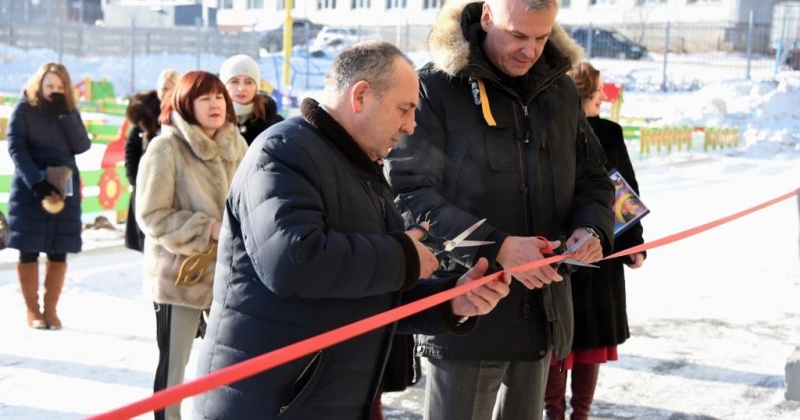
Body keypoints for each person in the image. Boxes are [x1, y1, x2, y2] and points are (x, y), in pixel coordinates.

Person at [193, 40, 512, 420]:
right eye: (404, 109)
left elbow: (367, 291)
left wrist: (450, 300)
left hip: (322, 400)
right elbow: (294, 262)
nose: (410, 125)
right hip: (268, 402)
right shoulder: (283, 151)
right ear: (360, 96)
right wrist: (404, 257)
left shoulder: (362, 169)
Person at [385, 1, 616, 419]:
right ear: (488, 17)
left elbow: (595, 180)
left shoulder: (560, 90)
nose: (530, 51)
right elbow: (409, 195)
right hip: (468, 319)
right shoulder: (434, 88)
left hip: (543, 318)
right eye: (518, 35)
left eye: (542, 37)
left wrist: (591, 230)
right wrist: (498, 246)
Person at [135, 70, 248, 420]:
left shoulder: (237, 145)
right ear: (186, 104)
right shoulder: (165, 147)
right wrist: (206, 229)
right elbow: (151, 215)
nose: (215, 104)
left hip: (229, 276)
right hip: (179, 277)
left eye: (218, 97)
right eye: (205, 98)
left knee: (228, 363)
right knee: (174, 368)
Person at [543, 61, 646, 420]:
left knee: (564, 344)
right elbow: (624, 195)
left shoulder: (557, 128)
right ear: (583, 91)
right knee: (581, 344)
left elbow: (621, 193)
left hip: (572, 252)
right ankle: (576, 415)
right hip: (595, 255)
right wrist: (635, 244)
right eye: (598, 89)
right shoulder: (605, 133)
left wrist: (635, 242)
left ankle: (560, 413)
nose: (604, 96)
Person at [6, 62, 91, 330]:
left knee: (59, 248)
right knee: (29, 248)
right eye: (49, 85)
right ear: (38, 85)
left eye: (59, 86)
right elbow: (16, 147)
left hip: (63, 186)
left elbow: (82, 145)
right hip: (33, 186)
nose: (54, 90)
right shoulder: (24, 109)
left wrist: (66, 117)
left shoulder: (68, 111)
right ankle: (33, 310)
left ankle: (51, 310)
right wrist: (37, 182)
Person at [123, 68, 180, 252]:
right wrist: (143, 184)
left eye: (172, 88)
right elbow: (130, 159)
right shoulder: (144, 122)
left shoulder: (187, 121)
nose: (166, 93)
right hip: (145, 194)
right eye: (163, 88)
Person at [218, 54, 283, 146]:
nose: (241, 88)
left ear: (256, 86)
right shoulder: (210, 120)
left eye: (248, 82)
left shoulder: (276, 125)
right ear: (223, 86)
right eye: (234, 81)